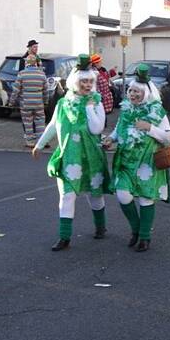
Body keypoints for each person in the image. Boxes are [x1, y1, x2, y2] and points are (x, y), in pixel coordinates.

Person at [32, 55, 111, 251]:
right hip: (69, 156)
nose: (87, 85)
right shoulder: (62, 104)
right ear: (75, 82)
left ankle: (101, 227)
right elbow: (53, 125)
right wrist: (39, 145)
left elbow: (97, 128)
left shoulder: (96, 102)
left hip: (91, 156)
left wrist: (90, 108)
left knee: (94, 194)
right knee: (67, 196)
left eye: (90, 81)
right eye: (84, 81)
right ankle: (64, 237)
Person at [102, 64, 170, 252]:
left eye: (136, 92)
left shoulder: (156, 111)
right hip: (125, 160)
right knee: (123, 195)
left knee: (145, 198)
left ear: (146, 94)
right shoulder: (126, 109)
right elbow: (119, 130)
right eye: (130, 91)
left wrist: (149, 128)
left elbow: (168, 137)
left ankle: (144, 237)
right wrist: (111, 138)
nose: (132, 95)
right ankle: (136, 229)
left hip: (147, 161)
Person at [9, 54, 48, 147]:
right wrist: (46, 101)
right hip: (38, 103)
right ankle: (41, 141)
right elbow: (46, 90)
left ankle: (30, 142)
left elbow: (16, 90)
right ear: (35, 63)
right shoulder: (42, 74)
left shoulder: (22, 74)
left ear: (27, 63)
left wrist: (11, 102)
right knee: (40, 122)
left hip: (25, 103)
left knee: (28, 122)